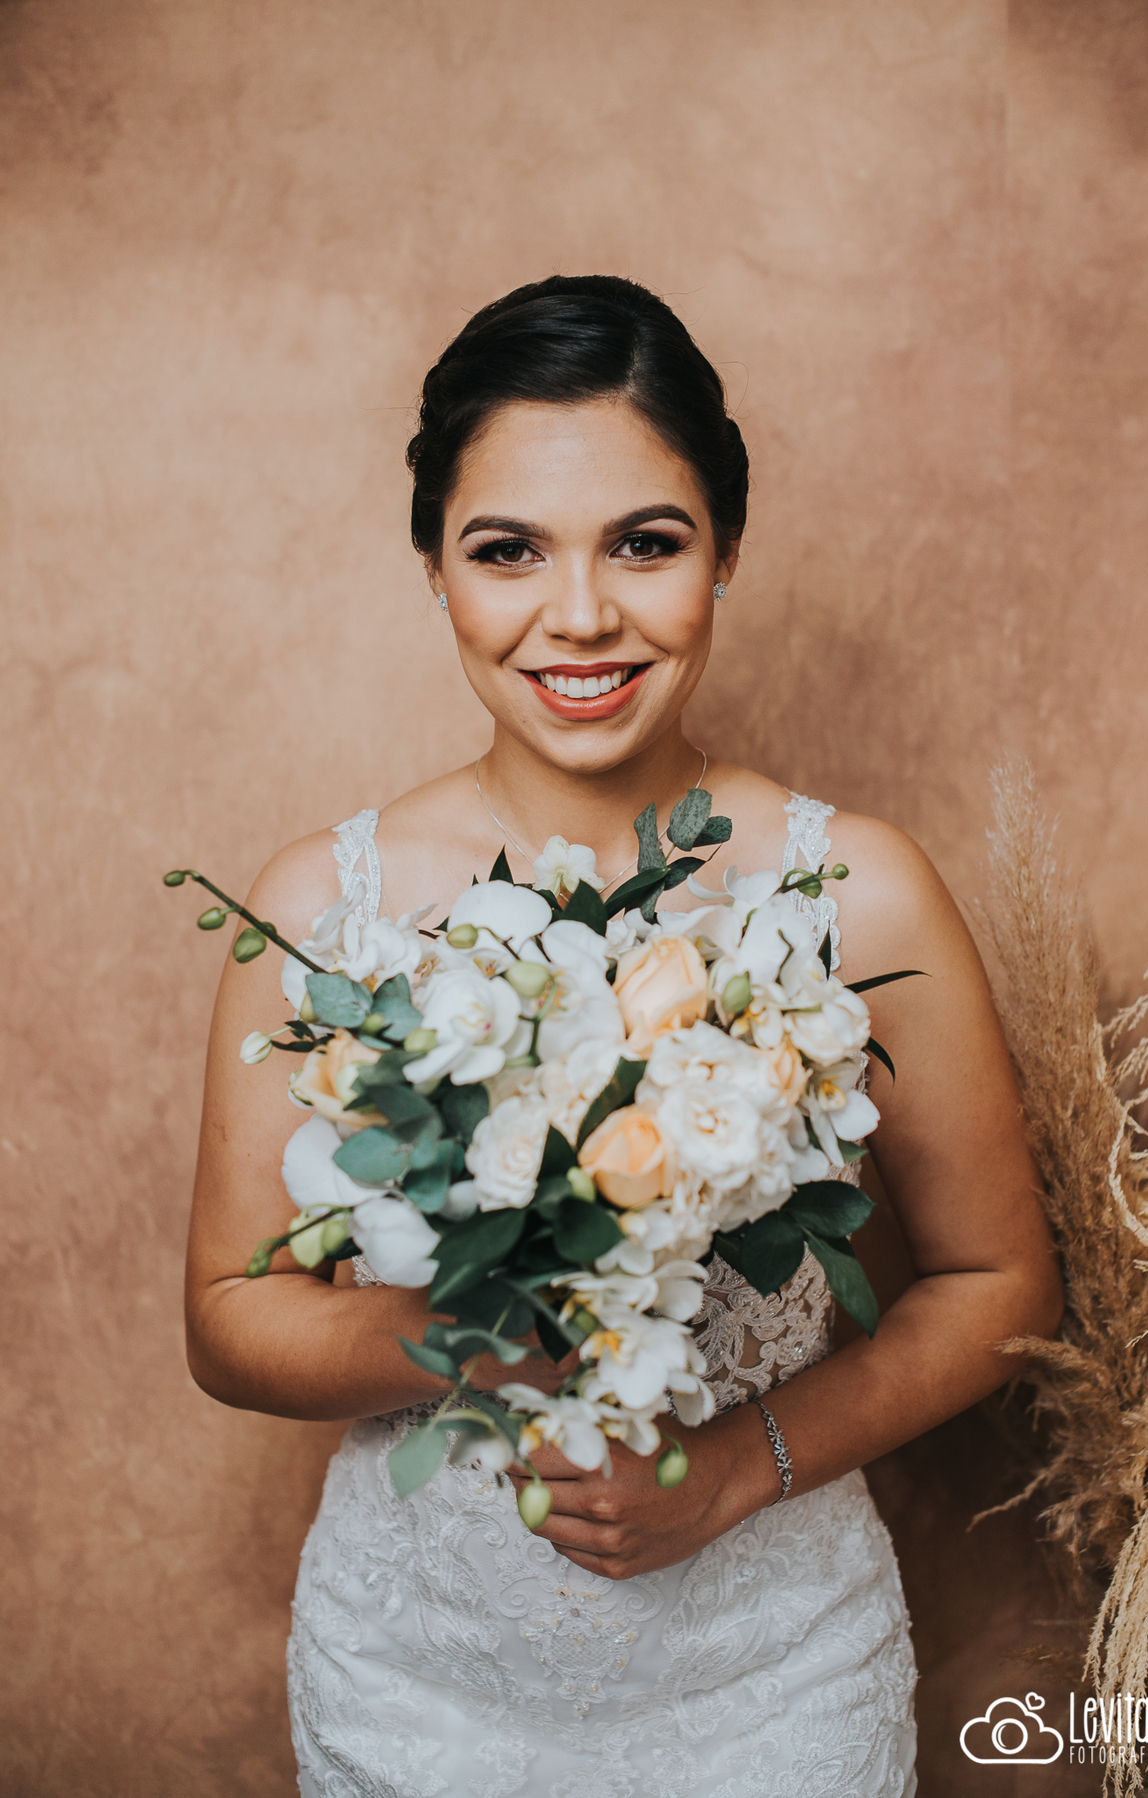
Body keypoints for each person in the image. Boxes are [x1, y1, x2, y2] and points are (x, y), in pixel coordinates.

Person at [185, 274, 1063, 1797]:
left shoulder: (855, 893)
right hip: (419, 1694)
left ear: (724, 551)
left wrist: (736, 1470)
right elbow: (227, 1311)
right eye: (507, 549)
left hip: (771, 1684)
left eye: (645, 544)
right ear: (433, 567)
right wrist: (483, 1345)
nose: (579, 614)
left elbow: (997, 1285)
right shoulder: (320, 904)